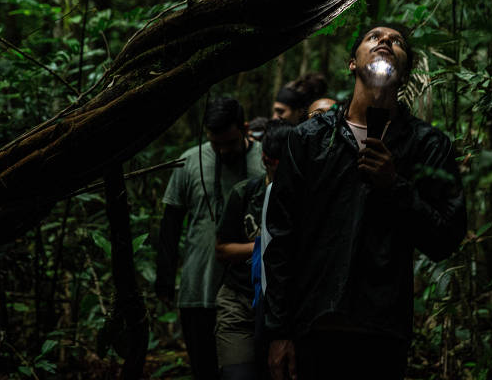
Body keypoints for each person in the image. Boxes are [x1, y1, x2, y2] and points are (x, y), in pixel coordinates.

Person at [264, 25, 466, 380]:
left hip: (382, 332)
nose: (386, 41)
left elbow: (445, 237)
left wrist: (395, 186)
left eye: (397, 41)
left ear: (403, 73)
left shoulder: (428, 145)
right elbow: (282, 238)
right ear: (352, 63)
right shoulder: (310, 139)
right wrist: (278, 331)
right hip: (314, 326)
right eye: (374, 37)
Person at [156, 96, 265, 379]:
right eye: (215, 144)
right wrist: (165, 279)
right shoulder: (191, 160)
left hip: (251, 294)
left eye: (229, 143)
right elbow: (170, 224)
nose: (222, 151)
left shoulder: (265, 160)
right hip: (200, 288)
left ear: (243, 128)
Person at [215, 119, 294, 380]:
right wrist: (263, 246)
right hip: (240, 302)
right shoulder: (245, 194)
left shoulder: (306, 199)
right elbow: (223, 249)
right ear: (265, 160)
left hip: (284, 309)